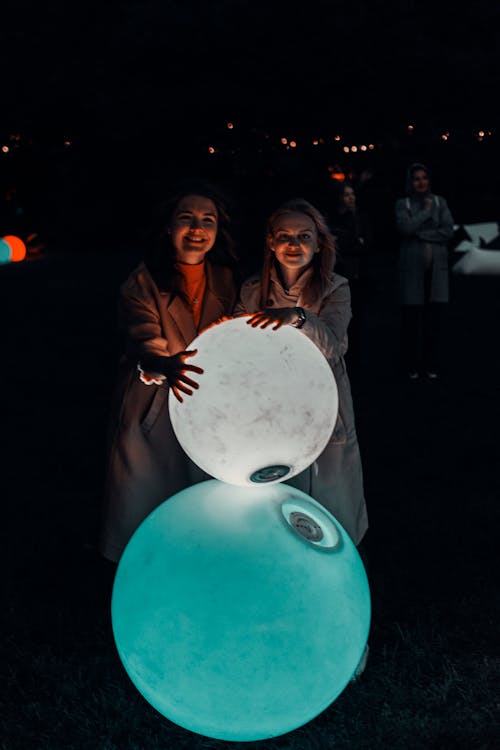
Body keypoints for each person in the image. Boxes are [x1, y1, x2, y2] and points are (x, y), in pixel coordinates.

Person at [99, 178, 240, 563]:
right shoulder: (141, 282)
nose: (197, 229)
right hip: (154, 406)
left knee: (202, 498)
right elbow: (143, 340)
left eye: (208, 220)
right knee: (148, 492)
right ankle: (138, 568)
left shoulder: (227, 280)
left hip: (208, 407)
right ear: (168, 226)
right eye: (187, 218)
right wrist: (161, 363)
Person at [234, 197, 368, 551]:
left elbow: (334, 345)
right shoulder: (252, 291)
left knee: (330, 492)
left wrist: (298, 317)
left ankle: (340, 557)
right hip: (271, 405)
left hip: (323, 400)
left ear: (319, 243)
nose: (294, 245)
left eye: (304, 237)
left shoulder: (336, 288)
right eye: (285, 236)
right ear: (271, 242)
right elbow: (239, 347)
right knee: (278, 490)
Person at [395, 163, 455, 380]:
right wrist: (425, 213)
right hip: (412, 273)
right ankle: (410, 365)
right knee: (411, 321)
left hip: (436, 273)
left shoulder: (440, 201)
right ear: (411, 182)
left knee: (434, 320)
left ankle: (431, 364)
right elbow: (405, 228)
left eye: (424, 178)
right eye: (416, 178)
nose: (421, 182)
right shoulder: (404, 203)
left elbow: (448, 231)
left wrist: (423, 235)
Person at [329, 180, 375, 377]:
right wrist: (355, 241)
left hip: (360, 275)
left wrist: (355, 242)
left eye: (352, 194)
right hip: (344, 275)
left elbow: (369, 242)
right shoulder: (336, 219)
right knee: (342, 320)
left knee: (358, 320)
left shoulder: (362, 217)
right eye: (347, 194)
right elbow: (341, 246)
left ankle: (355, 364)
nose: (351, 198)